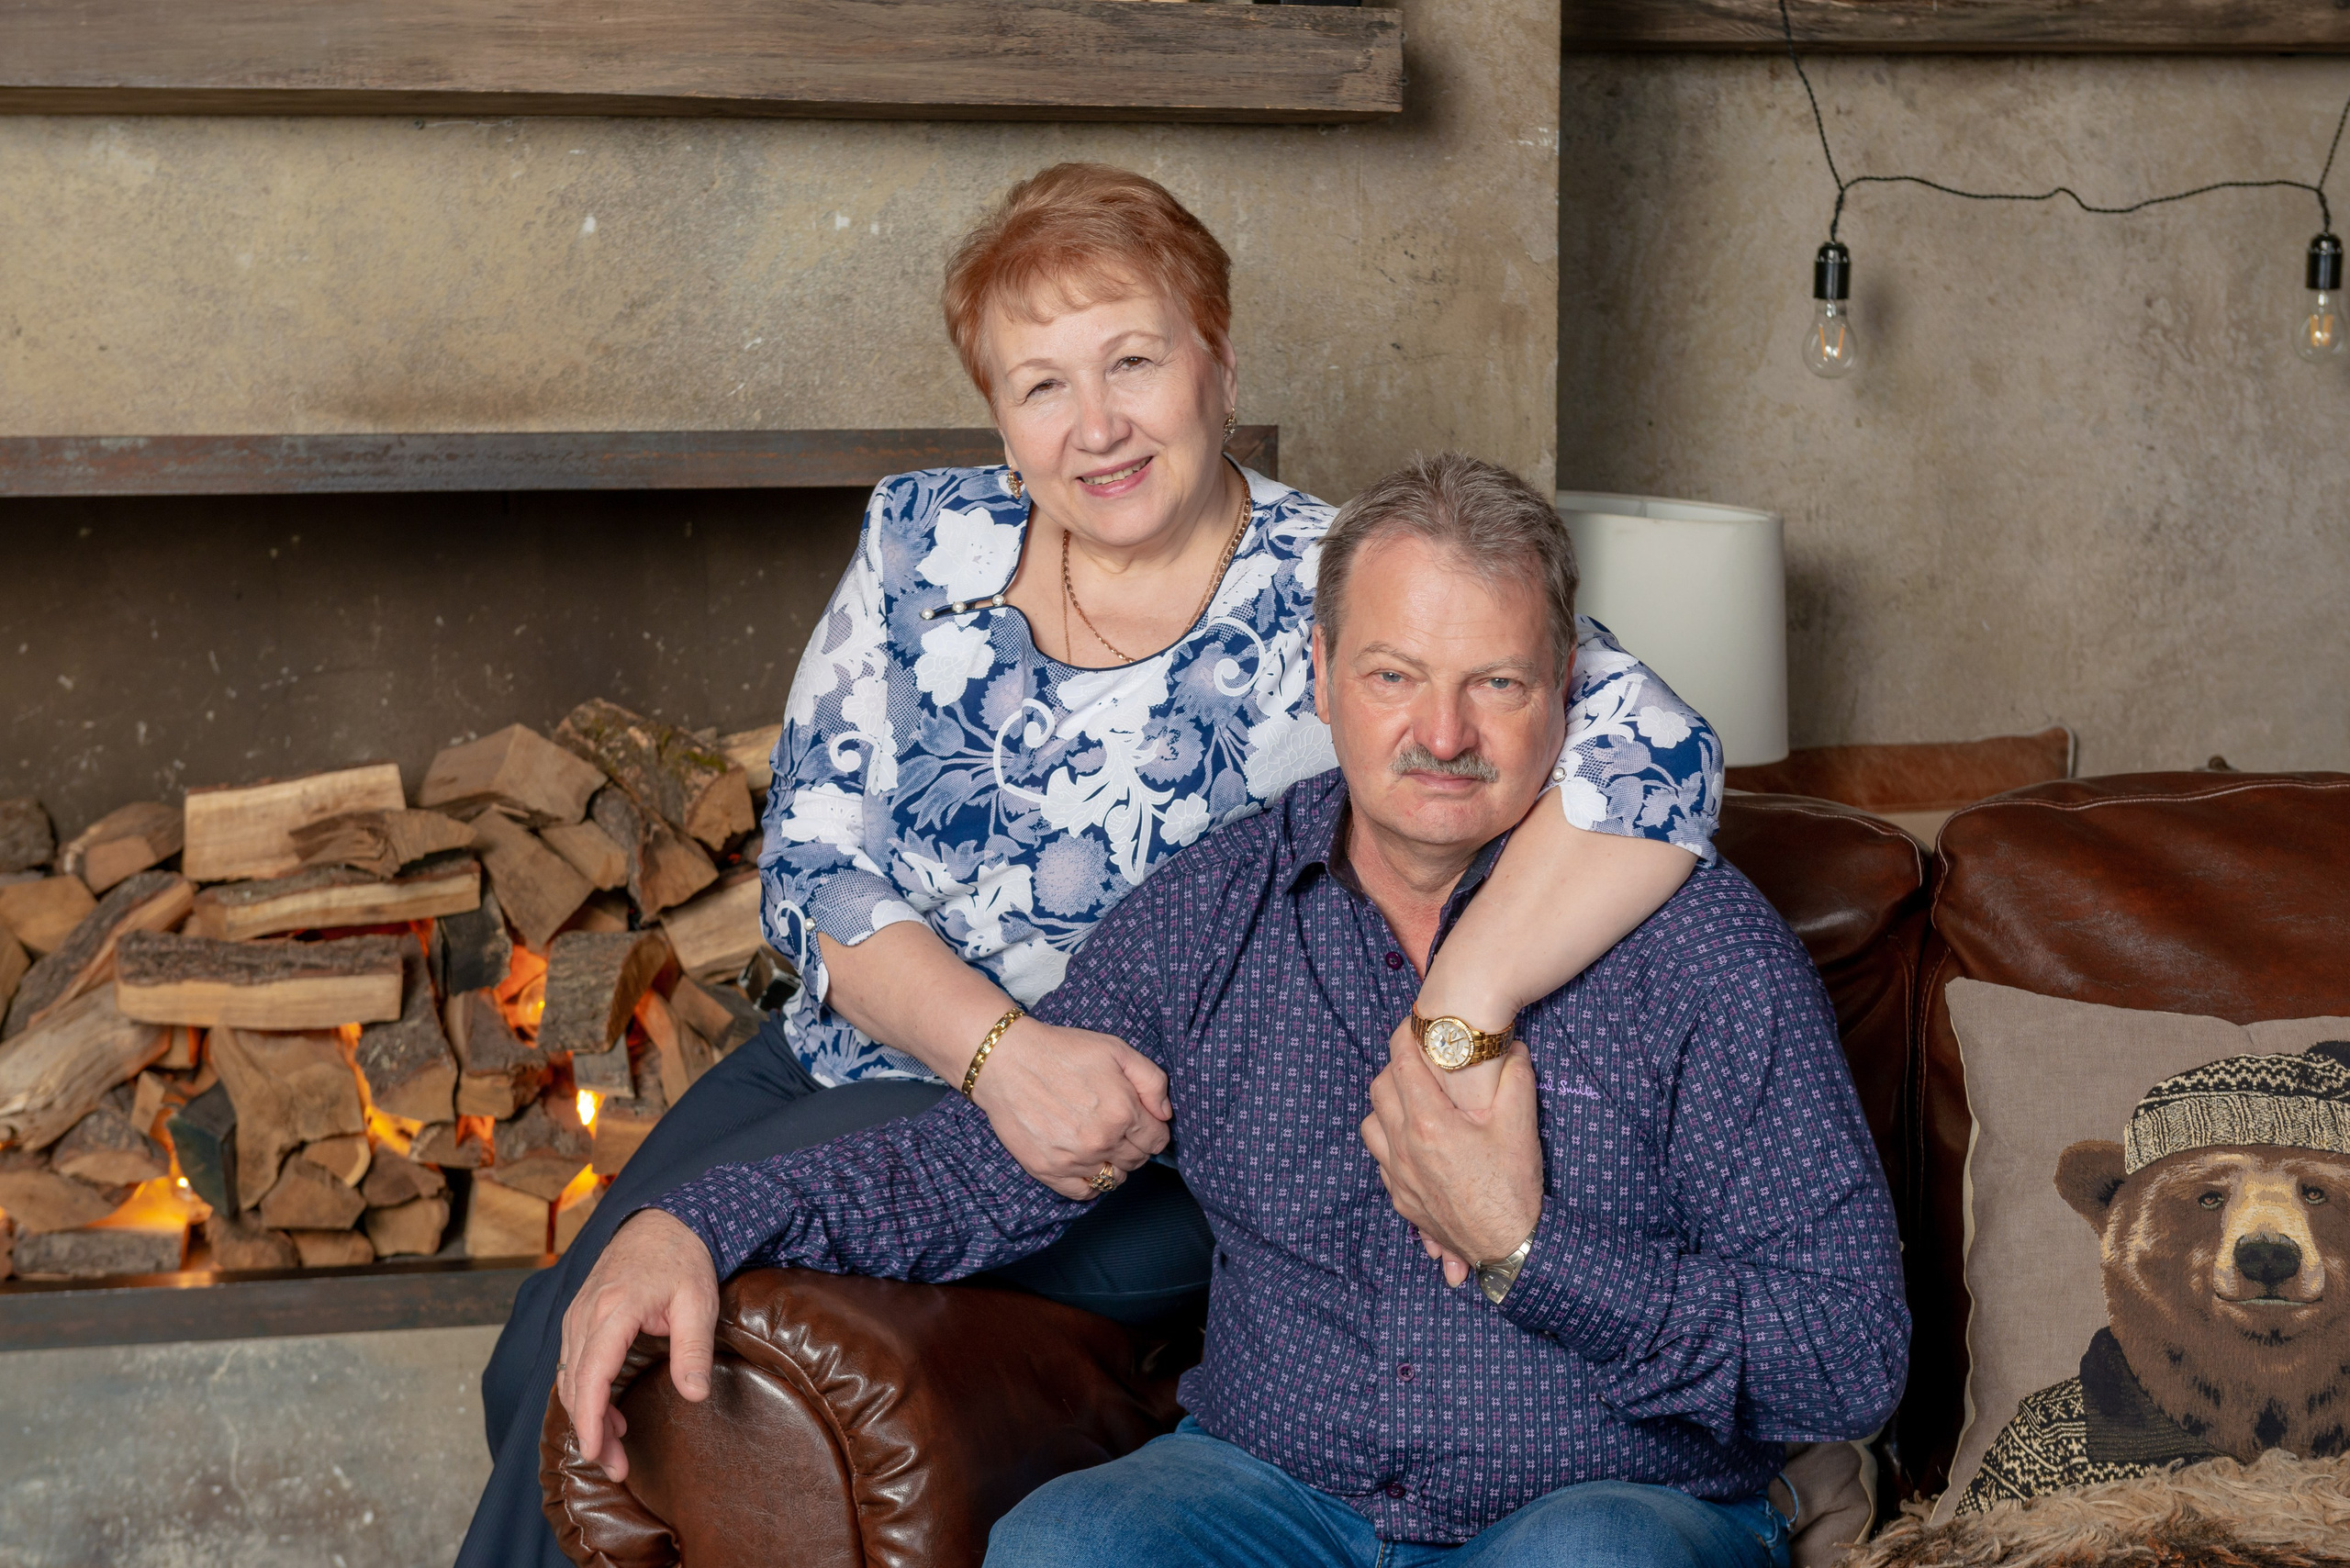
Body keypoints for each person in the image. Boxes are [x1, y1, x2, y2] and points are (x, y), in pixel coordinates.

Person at [459, 166, 1724, 1567]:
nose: (1098, 425)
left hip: (1140, 1146)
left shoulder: (1345, 591)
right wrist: (999, 1053)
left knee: (644, 1343)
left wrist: (1458, 1013)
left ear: (1220, 366)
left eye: (1135, 361)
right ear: (999, 415)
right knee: (549, 1334)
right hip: (869, 1055)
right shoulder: (919, 538)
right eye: (1042, 383)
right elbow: (817, 863)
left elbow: (1664, 754)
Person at [563, 454, 1908, 1566]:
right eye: (1392, 676)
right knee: (1068, 1547)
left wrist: (1529, 1252)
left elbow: (1851, 1360)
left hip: (1606, 1503)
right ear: (1318, 676)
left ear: (1569, 684)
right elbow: (986, 1168)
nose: (1442, 733)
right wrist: (692, 1217)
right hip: (1275, 1497)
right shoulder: (1218, 913)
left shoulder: (1704, 947)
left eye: (1495, 682)